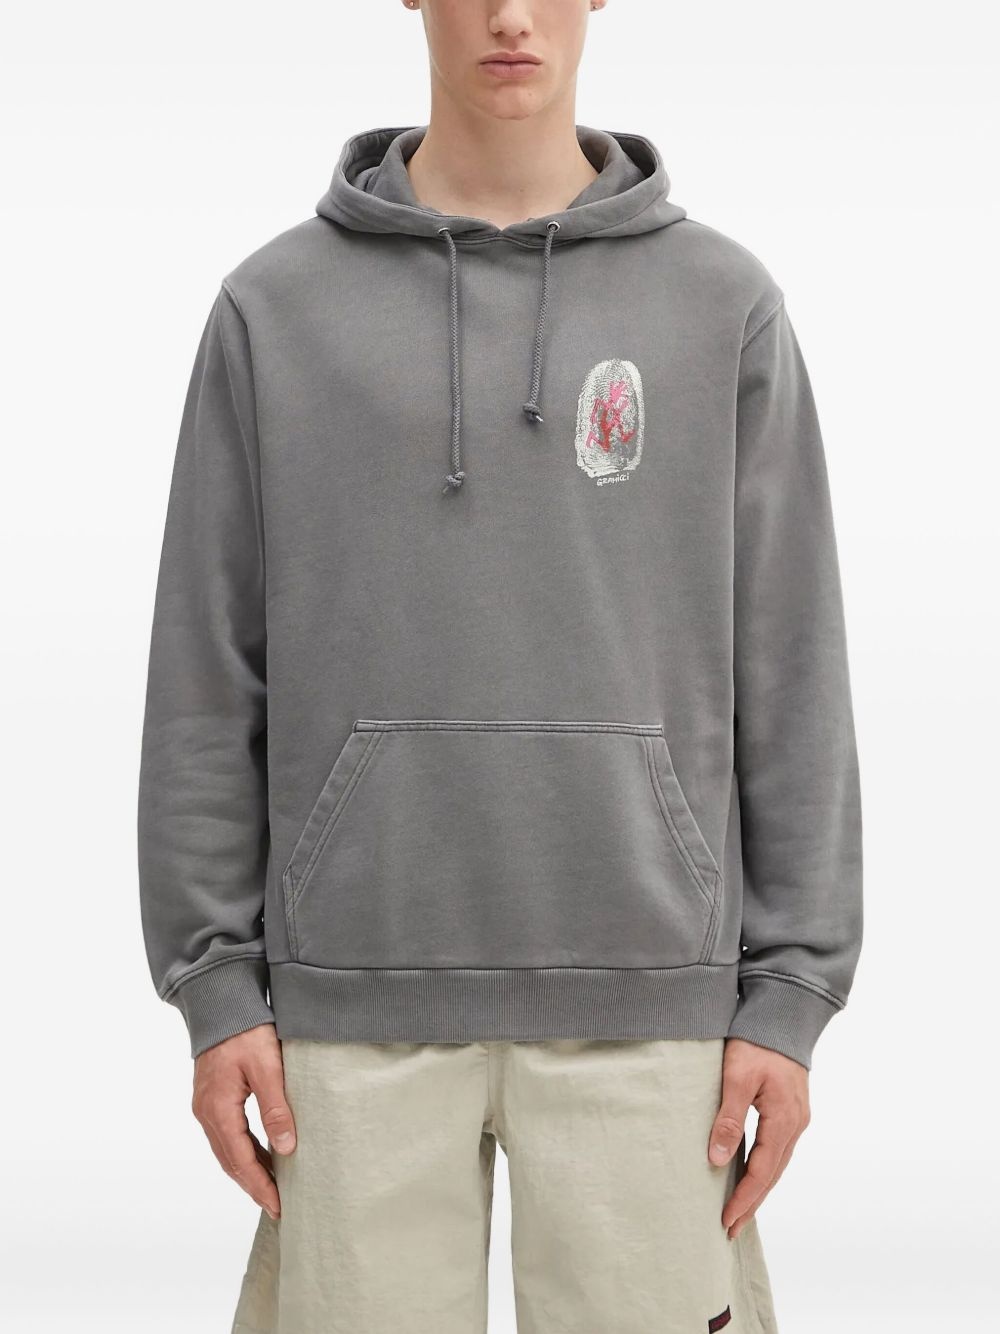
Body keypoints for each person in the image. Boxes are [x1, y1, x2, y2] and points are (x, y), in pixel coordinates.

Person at [136, 2, 863, 1330]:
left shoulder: (722, 306)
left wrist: (791, 993)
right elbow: (205, 669)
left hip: (651, 996)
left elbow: (793, 661)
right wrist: (215, 987)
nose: (511, 16)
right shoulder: (275, 308)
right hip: (348, 1003)